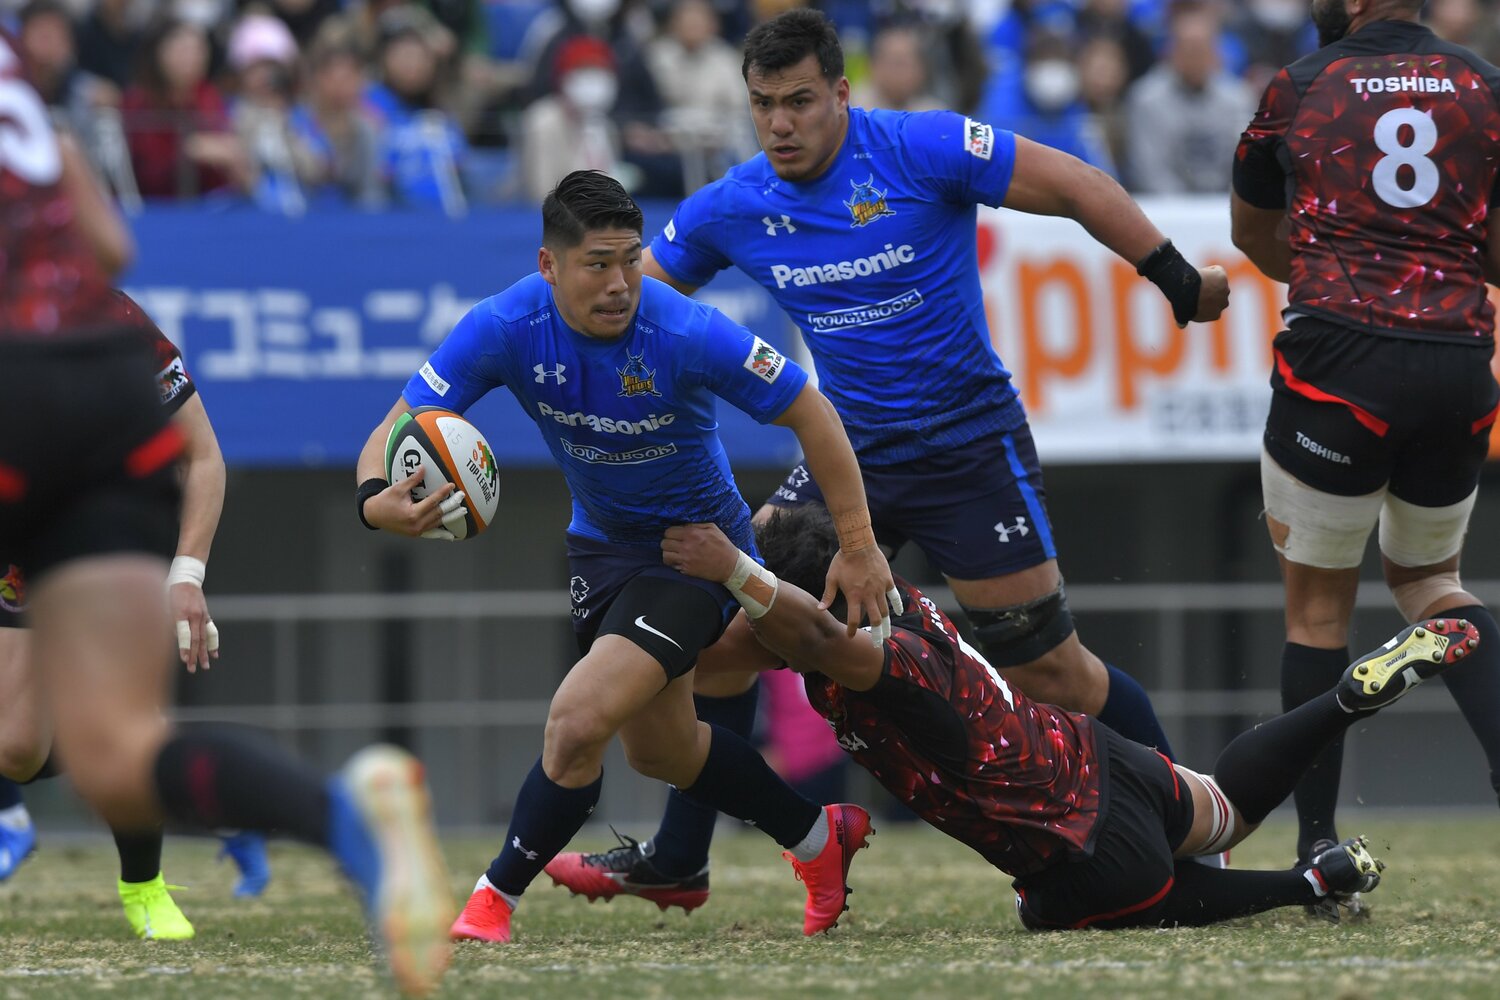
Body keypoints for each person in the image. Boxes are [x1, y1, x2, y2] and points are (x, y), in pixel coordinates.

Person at [546, 6, 1230, 910]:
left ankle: (1193, 836)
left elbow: (1070, 182)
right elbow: (629, 298)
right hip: (850, 458)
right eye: (763, 105)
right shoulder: (736, 203)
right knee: (720, 642)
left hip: (967, 450)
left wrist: (1173, 276)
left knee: (1052, 674)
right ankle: (681, 859)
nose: (780, 124)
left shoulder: (922, 148)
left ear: (842, 92)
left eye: (799, 101)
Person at [0, 34, 452, 996]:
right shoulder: (28, 103)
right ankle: (340, 820)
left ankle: (34, 829)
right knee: (106, 749)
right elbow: (109, 247)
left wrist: (187, 572)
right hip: (92, 384)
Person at [353, 169, 898, 943]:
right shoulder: (504, 325)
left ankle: (491, 899)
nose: (619, 284)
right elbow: (395, 426)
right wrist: (375, 501)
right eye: (597, 264)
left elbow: (814, 412)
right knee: (664, 752)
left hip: (694, 556)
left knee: (577, 721)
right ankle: (818, 836)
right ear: (549, 265)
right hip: (601, 551)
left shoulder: (685, 331)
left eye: (630, 261)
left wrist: (860, 545)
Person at [657, 507, 1480, 929]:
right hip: (1104, 759)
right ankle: (1341, 702)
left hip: (1075, 849)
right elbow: (772, 606)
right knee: (1226, 808)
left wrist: (731, 568)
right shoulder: (884, 592)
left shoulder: (869, 657)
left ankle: (1312, 881)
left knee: (1089, 908)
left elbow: (803, 632)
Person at [1231, 0, 1500, 919]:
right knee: (1433, 585)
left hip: (1338, 367)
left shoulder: (1301, 85)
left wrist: (1337, 265)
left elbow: (1253, 234)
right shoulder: (1484, 85)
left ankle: (1318, 849)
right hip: (1457, 366)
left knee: (1317, 613)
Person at [0, 290, 273, 932]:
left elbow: (202, 456)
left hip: (107, 531)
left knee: (114, 721)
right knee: (16, 748)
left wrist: (187, 574)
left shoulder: (111, 316)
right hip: (19, 543)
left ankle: (145, 884)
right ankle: (196, 791)